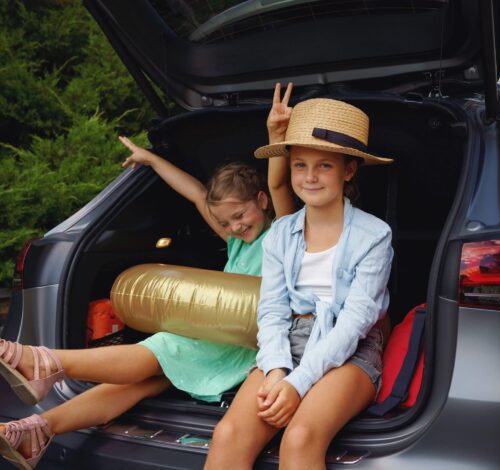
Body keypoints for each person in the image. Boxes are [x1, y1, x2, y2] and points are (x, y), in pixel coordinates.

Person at [0, 84, 297, 470]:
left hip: (248, 345)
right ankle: (39, 429)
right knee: (136, 381)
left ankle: (44, 361)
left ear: (262, 202)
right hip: (214, 340)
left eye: (241, 216)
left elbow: (279, 185)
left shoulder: (284, 233)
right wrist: (154, 162)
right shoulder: (237, 242)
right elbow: (195, 194)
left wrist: (277, 137)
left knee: (165, 345)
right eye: (226, 222)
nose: (236, 227)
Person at [204, 97, 394, 469]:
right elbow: (272, 311)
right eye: (300, 165)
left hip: (350, 349)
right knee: (228, 435)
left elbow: (356, 321)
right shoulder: (280, 233)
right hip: (287, 342)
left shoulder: (375, 236)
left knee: (301, 436)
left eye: (324, 165)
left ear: (349, 170)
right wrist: (276, 370)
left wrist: (298, 382)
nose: (309, 177)